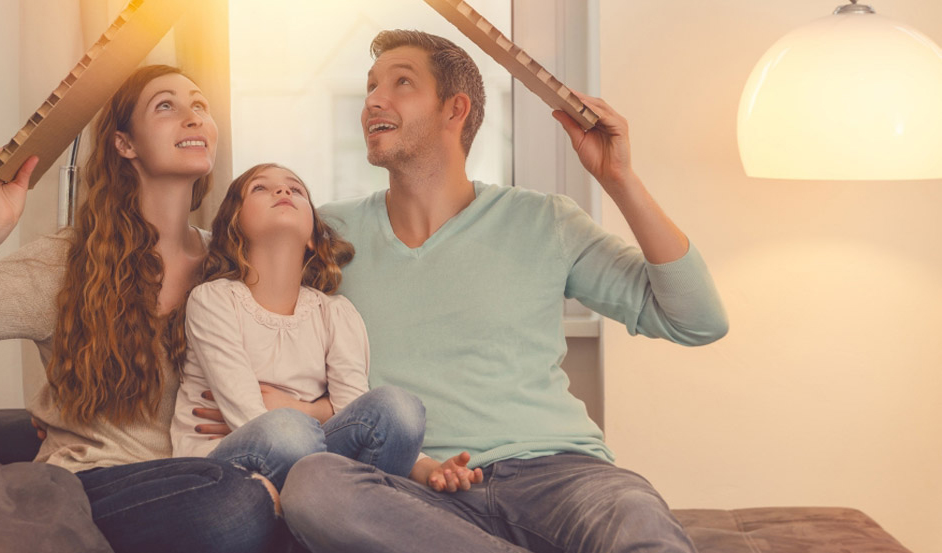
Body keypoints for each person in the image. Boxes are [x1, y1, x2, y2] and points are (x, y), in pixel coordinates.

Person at [277, 30, 730, 553]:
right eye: (371, 87)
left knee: (635, 519)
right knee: (316, 485)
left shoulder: (544, 220)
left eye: (401, 83)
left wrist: (619, 176)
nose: (374, 101)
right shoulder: (328, 232)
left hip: (560, 477)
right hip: (416, 488)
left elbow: (696, 320)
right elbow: (245, 297)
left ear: (456, 110)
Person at [0, 64, 294, 553]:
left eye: (200, 106)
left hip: (206, 471)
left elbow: (300, 380)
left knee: (269, 488)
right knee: (237, 504)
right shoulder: (65, 264)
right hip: (97, 487)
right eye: (167, 105)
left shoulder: (228, 265)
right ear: (124, 143)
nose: (193, 117)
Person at [170, 162, 426, 491]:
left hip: (311, 455)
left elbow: (357, 414)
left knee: (398, 408)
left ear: (312, 239)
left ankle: (327, 510)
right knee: (288, 431)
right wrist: (305, 415)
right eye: (260, 188)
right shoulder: (214, 300)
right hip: (230, 460)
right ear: (235, 226)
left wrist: (299, 409)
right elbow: (249, 414)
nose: (283, 191)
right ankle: (338, 508)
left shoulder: (335, 313)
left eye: (296, 189)